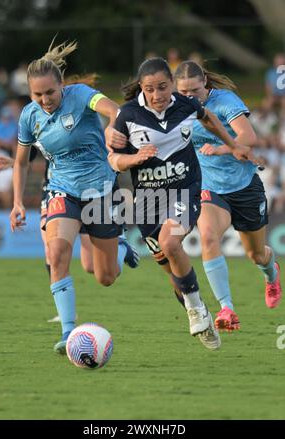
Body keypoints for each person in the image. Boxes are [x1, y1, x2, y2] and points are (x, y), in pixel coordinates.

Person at [107, 57, 251, 350]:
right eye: (150, 89)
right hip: (148, 201)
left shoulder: (185, 105)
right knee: (172, 274)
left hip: (185, 190)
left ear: (172, 84)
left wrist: (233, 144)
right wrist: (134, 159)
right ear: (142, 89)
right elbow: (113, 159)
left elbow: (208, 118)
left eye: (163, 87)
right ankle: (199, 310)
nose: (157, 95)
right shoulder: (128, 115)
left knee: (171, 244)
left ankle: (197, 311)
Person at [9, 40, 139, 354]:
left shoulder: (81, 95)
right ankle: (69, 333)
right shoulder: (29, 116)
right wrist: (16, 202)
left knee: (103, 276)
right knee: (55, 255)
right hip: (61, 190)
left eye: (50, 93)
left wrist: (112, 126)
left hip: (100, 191)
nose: (44, 100)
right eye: (37, 95)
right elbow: (21, 161)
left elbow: (114, 110)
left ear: (62, 86)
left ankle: (121, 249)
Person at [174, 60, 282, 331]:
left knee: (256, 255)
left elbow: (249, 137)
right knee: (208, 236)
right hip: (209, 187)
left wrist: (222, 148)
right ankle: (226, 309)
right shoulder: (174, 108)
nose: (189, 97)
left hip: (245, 186)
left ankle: (272, 275)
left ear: (205, 85)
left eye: (194, 91)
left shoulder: (225, 101)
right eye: (183, 92)